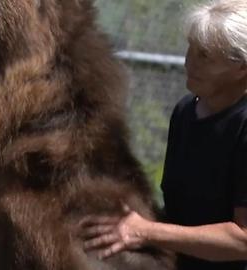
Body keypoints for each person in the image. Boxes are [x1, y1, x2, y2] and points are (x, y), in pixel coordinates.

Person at [80, 0, 247, 269]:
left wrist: (145, 231)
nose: (189, 62)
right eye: (190, 48)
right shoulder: (185, 111)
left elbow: (243, 240)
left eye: (205, 55)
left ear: (242, 67)